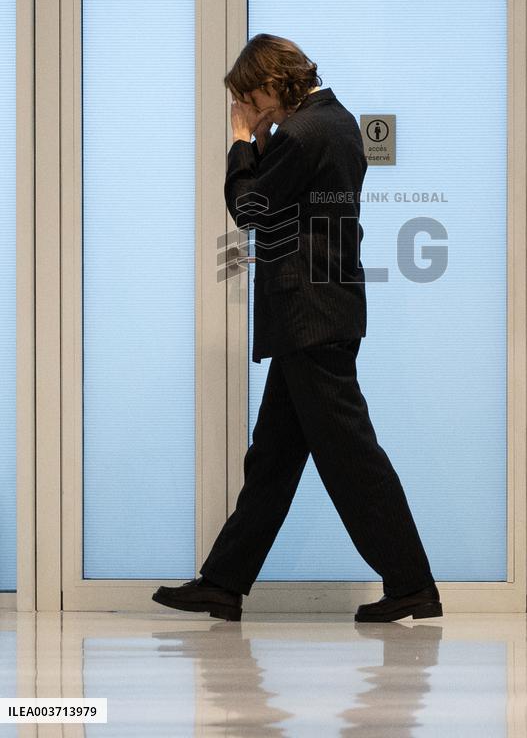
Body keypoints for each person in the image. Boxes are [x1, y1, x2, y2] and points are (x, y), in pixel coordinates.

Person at [153, 33, 441, 623]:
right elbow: (283, 202)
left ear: (270, 84)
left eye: (249, 99)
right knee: (275, 462)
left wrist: (240, 143)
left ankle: (413, 584)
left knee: (353, 460)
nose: (249, 111)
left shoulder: (306, 132)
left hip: (311, 317)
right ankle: (223, 582)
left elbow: (250, 210)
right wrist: (262, 138)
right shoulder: (333, 123)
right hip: (317, 315)